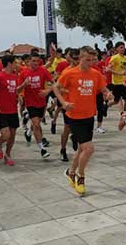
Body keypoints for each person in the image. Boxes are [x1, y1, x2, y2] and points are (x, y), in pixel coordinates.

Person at [53, 46, 113, 195]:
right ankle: (80, 177)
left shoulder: (96, 74)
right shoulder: (69, 73)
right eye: (87, 60)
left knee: (81, 149)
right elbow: (56, 87)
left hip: (89, 116)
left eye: (93, 60)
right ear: (80, 58)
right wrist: (64, 103)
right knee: (88, 149)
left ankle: (70, 172)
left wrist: (108, 94)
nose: (90, 63)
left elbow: (103, 89)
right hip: (74, 117)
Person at [0, 55, 25, 166]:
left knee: (12, 135)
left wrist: (19, 95)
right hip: (1, 111)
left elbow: (14, 90)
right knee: (6, 135)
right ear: (9, 64)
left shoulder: (14, 76)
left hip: (13, 110)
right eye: (15, 62)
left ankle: (7, 155)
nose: (17, 65)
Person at [19, 54, 54, 159]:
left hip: (42, 102)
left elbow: (54, 83)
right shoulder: (24, 73)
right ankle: (42, 149)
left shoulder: (43, 71)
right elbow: (18, 89)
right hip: (30, 103)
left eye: (37, 61)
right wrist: (24, 84)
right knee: (36, 124)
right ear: (28, 61)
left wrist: (47, 90)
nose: (35, 63)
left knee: (37, 123)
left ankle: (29, 132)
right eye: (33, 61)